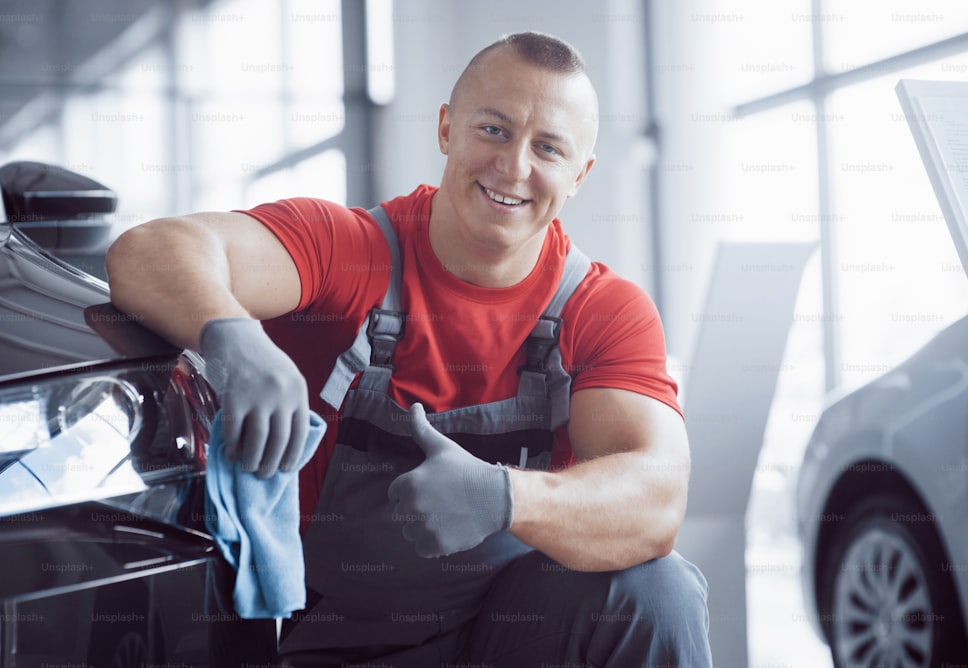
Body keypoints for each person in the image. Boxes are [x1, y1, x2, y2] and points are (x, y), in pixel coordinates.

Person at [106, 31, 712, 667]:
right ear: (447, 128)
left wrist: (504, 499)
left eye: (549, 148)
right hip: (342, 646)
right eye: (495, 130)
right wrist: (232, 337)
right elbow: (149, 250)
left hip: (515, 640)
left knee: (657, 590)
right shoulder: (349, 252)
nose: (513, 167)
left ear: (579, 174)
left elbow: (657, 498)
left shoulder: (600, 310)